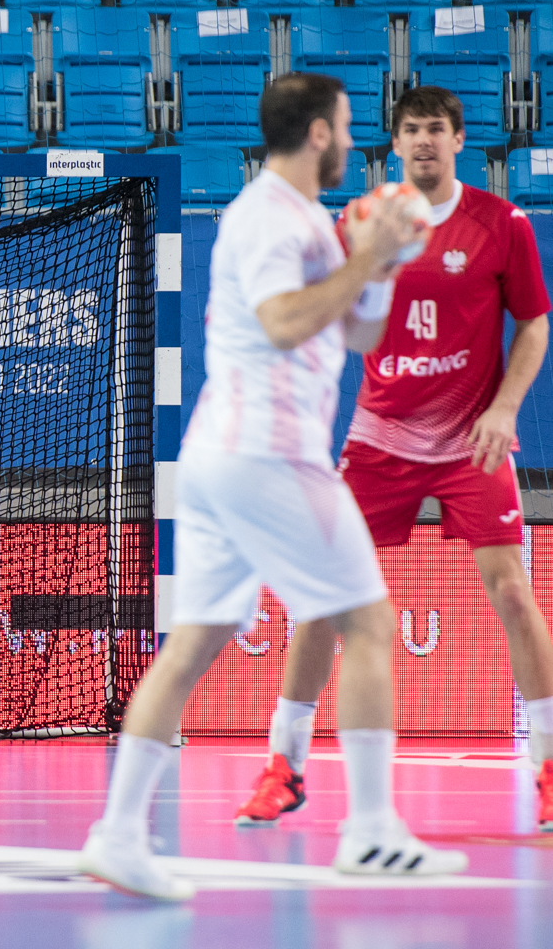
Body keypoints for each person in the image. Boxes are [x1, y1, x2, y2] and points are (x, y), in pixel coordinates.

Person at [77, 73, 469, 900]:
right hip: (268, 452)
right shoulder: (265, 216)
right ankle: (371, 832)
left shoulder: (311, 221)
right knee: (369, 621)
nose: (355, 141)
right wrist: (367, 256)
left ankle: (117, 835)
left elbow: (358, 331)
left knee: (192, 644)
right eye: (348, 126)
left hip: (230, 457)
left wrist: (383, 266)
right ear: (319, 133)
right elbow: (284, 321)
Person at [236, 86, 553, 829]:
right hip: (380, 439)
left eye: (437, 129)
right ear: (396, 142)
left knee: (513, 593)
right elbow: (326, 315)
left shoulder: (501, 223)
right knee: (322, 597)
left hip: (472, 438)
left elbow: (535, 324)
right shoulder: (364, 221)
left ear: (459, 139)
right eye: (412, 130)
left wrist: (505, 407)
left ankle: (548, 765)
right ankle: (283, 766)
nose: (424, 141)